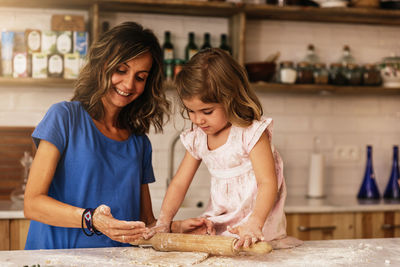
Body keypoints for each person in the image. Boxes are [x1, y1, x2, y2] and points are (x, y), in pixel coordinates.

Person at [23, 21, 212, 250]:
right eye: (121, 70)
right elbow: (32, 204)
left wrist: (176, 227)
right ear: (102, 65)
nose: (129, 84)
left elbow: (145, 223)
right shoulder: (64, 118)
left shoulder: (139, 143)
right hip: (55, 259)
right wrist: (92, 219)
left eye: (140, 77)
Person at [147, 48, 302, 249]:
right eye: (190, 111)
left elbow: (267, 182)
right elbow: (179, 184)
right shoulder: (198, 138)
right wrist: (164, 221)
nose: (198, 119)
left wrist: (255, 222)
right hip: (222, 228)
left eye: (207, 111)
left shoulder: (250, 133)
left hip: (258, 226)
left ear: (230, 98)